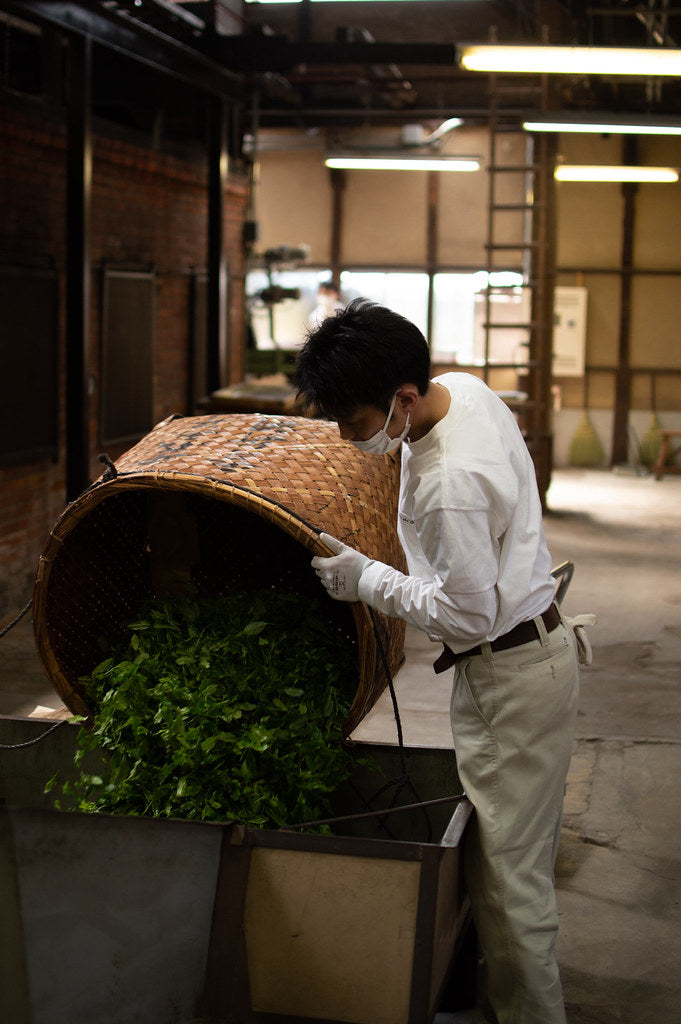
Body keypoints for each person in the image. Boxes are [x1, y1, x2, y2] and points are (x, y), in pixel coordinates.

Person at [295, 298, 595, 1024]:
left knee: (510, 887)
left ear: (402, 398)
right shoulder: (462, 389)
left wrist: (367, 579)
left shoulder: (449, 486)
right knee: (517, 858)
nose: (348, 438)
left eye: (355, 422)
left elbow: (467, 616)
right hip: (537, 647)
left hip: (508, 677)